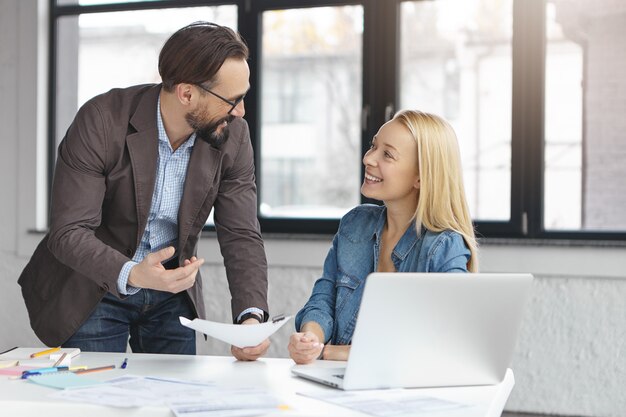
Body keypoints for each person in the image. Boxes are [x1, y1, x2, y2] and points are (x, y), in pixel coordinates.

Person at [18, 22, 269, 361]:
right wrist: (134, 273)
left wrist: (250, 318)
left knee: (173, 402)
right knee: (96, 402)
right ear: (187, 93)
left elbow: (241, 233)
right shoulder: (102, 120)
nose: (240, 112)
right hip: (95, 284)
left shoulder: (233, 136)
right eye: (232, 100)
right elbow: (69, 231)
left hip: (171, 293)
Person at [288, 110, 478, 364]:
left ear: (421, 176)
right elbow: (324, 298)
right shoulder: (354, 224)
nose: (368, 159)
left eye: (387, 154)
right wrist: (311, 340)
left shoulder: (444, 247)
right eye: (373, 146)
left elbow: (443, 343)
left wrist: (336, 353)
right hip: (340, 382)